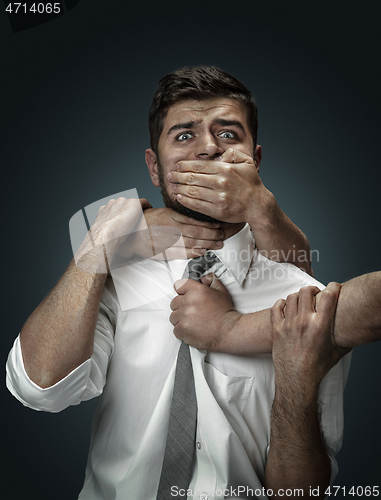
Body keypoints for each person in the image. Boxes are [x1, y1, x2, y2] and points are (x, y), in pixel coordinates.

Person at [6, 66, 351, 499]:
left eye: (228, 134)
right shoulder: (112, 279)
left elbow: (300, 493)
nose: (208, 147)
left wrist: (296, 375)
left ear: (255, 162)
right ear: (155, 168)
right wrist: (100, 243)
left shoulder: (304, 302)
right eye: (184, 136)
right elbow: (38, 389)